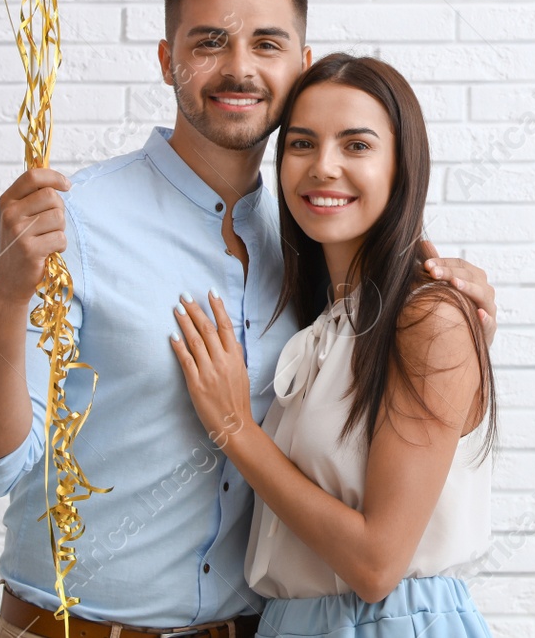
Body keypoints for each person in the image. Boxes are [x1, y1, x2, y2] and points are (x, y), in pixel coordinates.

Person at [0, 0, 500, 638]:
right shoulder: (73, 222)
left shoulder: (316, 246)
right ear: (168, 60)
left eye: (266, 42)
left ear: (301, 63)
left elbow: (378, 429)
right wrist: (5, 297)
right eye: (208, 42)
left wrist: (450, 331)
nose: (240, 68)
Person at [171, 53, 495, 638]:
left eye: (357, 145)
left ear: (402, 166)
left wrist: (235, 429)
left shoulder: (427, 317)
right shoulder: (323, 325)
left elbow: (376, 565)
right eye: (301, 144)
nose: (323, 167)